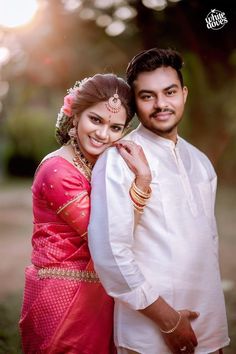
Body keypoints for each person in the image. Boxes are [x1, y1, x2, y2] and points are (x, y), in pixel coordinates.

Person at [88, 49, 230, 354]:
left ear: (184, 94)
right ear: (135, 103)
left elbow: (209, 245)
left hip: (207, 328)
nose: (161, 104)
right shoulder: (119, 159)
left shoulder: (201, 161)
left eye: (169, 92)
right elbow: (111, 253)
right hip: (148, 333)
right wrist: (168, 320)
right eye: (147, 96)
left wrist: (214, 331)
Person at [19, 73, 152, 354]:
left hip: (101, 295)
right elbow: (109, 238)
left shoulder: (104, 166)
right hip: (64, 298)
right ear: (76, 114)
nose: (103, 134)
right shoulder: (58, 170)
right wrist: (142, 182)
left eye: (116, 127)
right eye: (96, 120)